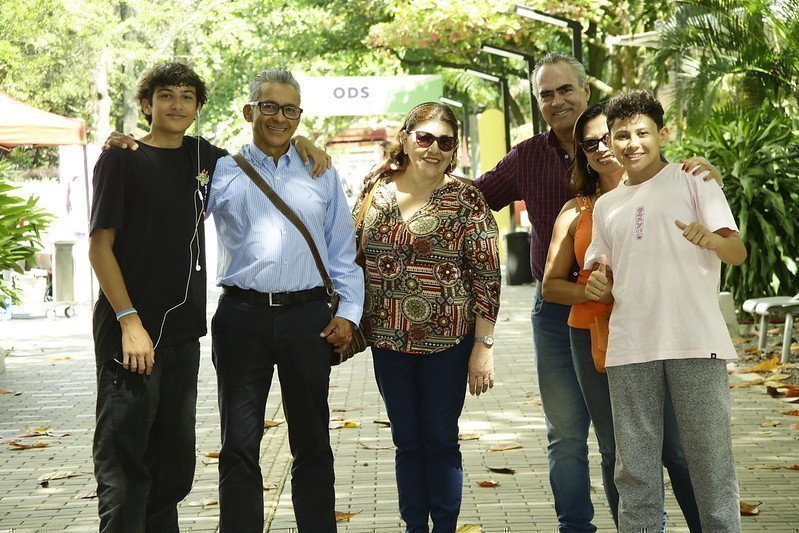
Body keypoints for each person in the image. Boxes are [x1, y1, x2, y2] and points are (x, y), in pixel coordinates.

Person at [473, 52, 717, 531]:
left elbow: (689, 193)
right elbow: (471, 199)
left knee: (671, 443)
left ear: (586, 91)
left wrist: (705, 171)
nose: (556, 100)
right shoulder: (531, 160)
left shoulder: (632, 143)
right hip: (565, 313)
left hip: (653, 317)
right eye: (545, 94)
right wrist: (405, 173)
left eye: (565, 89)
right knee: (574, 437)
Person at [542, 103, 725, 531]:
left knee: (681, 450)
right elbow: (553, 285)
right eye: (592, 143)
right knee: (622, 453)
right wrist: (589, 289)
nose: (606, 147)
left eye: (611, 136)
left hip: (677, 335)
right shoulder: (584, 208)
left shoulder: (683, 180)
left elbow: (720, 238)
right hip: (602, 337)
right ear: (583, 153)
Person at [206, 67, 363, 533]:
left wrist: (349, 315)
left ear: (299, 116)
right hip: (241, 316)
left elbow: (342, 248)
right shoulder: (222, 170)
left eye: (289, 109)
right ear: (249, 110)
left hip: (308, 318)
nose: (279, 117)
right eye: (269, 106)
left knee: (313, 440)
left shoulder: (321, 170)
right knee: (238, 443)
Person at [585, 89, 746, 532]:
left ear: (662, 134)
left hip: (695, 340)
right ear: (610, 142)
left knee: (711, 463)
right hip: (631, 346)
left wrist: (712, 240)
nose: (632, 143)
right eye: (621, 135)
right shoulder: (606, 205)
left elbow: (737, 251)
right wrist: (599, 284)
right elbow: (604, 277)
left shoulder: (694, 178)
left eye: (642, 133)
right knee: (633, 470)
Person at [89, 62, 227, 532]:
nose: (177, 105)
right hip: (129, 331)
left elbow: (267, 156)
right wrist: (129, 321)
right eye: (166, 95)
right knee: (124, 459)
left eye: (187, 97)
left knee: (172, 462)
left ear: (198, 107)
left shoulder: (205, 159)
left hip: (183, 333)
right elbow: (99, 247)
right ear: (146, 105)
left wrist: (305, 143)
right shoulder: (121, 158)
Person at [356, 102, 501, 531]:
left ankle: (445, 526)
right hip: (388, 340)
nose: (433, 148)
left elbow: (488, 275)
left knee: (439, 440)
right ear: (405, 138)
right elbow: (349, 254)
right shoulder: (377, 188)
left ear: (454, 149)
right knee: (406, 439)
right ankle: (414, 525)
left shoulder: (466, 198)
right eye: (425, 138)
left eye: (445, 141)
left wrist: (483, 347)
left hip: (447, 343)